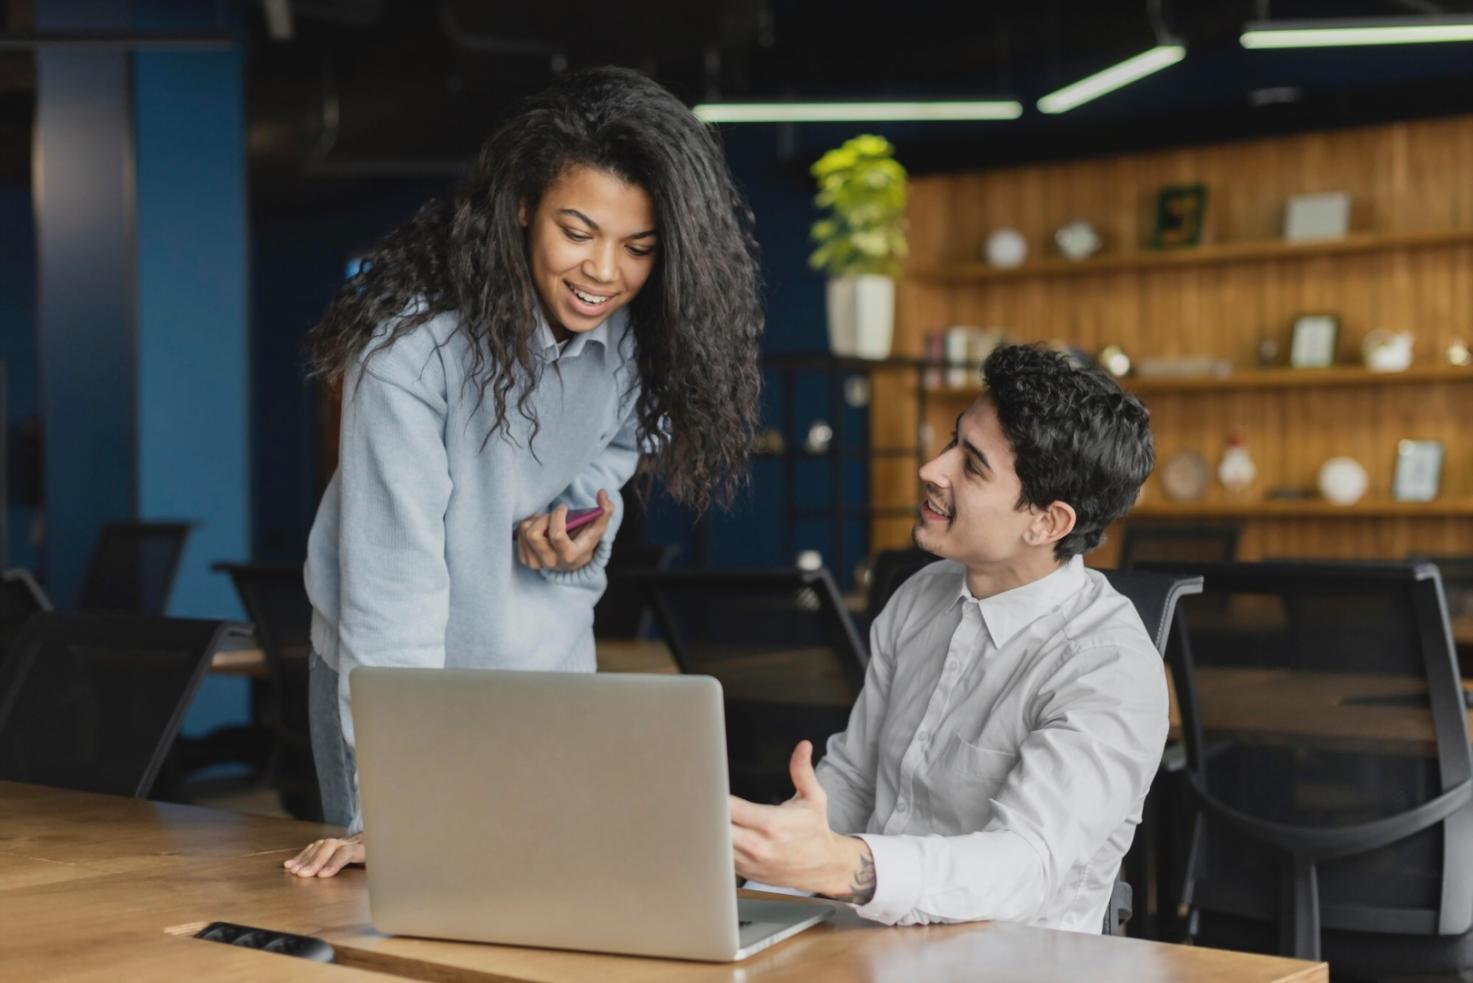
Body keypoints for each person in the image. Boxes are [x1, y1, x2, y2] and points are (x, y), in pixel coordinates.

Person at [286, 66, 762, 878]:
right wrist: (392, 806)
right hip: (402, 683)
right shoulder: (413, 352)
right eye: (577, 231)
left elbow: (612, 452)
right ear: (520, 211)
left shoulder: (639, 341)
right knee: (409, 902)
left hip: (544, 673)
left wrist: (580, 523)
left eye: (638, 247)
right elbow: (389, 595)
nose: (605, 271)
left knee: (549, 900)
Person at [728, 343, 1164, 933]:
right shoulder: (920, 596)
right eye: (952, 442)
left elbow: (1024, 864)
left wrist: (842, 866)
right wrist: (758, 884)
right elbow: (853, 782)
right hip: (866, 948)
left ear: (1048, 522)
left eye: (972, 465)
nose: (932, 469)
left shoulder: (1108, 667)